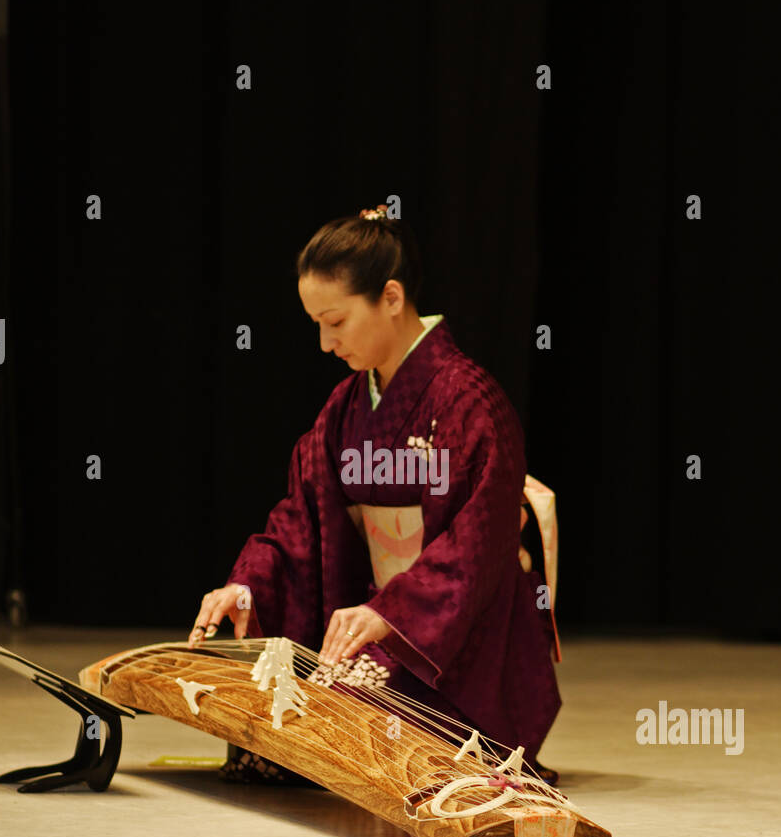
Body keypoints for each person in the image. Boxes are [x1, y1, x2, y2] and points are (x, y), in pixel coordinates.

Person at [189, 205, 561, 785]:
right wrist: (249, 584)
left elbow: (476, 550)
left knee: (348, 720)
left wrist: (391, 614)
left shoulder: (470, 403)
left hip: (456, 645)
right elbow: (302, 518)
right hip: (380, 621)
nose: (324, 342)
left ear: (391, 297)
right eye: (316, 323)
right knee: (282, 706)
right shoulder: (344, 407)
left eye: (334, 321)